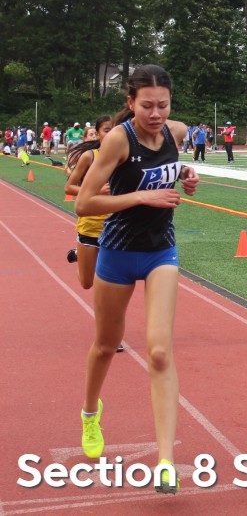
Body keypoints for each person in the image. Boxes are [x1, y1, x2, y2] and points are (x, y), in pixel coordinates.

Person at [74, 64, 200, 493]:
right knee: (105, 345)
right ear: (130, 103)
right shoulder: (117, 140)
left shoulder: (176, 132)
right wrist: (141, 196)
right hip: (117, 254)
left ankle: (165, 461)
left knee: (160, 352)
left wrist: (187, 174)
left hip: (161, 251)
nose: (156, 114)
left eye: (163, 105)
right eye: (147, 106)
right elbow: (84, 203)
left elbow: (172, 168)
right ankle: (90, 412)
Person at [65, 116, 114, 289]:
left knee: (112, 278)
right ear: (98, 134)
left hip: (115, 226)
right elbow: (69, 187)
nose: (112, 134)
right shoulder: (89, 156)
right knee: (87, 283)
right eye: (107, 130)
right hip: (91, 225)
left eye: (115, 130)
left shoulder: (125, 157)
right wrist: (95, 191)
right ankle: (80, 255)